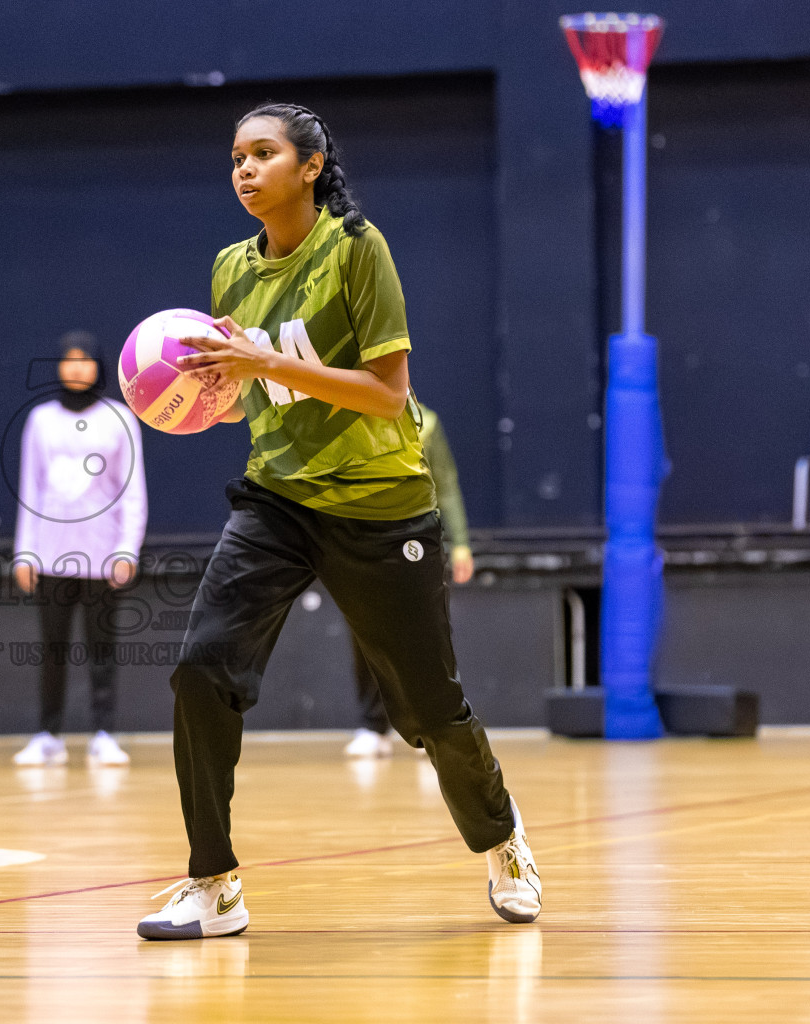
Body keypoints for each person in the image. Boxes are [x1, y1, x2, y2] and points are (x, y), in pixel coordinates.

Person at [135, 103, 541, 940]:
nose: (245, 169)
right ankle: (212, 882)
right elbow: (250, 394)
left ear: (311, 166)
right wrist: (198, 397)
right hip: (277, 498)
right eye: (237, 157)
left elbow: (388, 394)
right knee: (202, 671)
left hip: (379, 503)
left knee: (427, 709)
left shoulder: (357, 247)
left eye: (263, 153)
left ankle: (502, 838)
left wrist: (262, 360)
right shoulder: (230, 267)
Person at [11, 331, 147, 767]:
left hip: (103, 557)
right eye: (68, 359)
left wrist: (127, 550)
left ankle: (103, 733)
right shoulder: (41, 420)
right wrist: (25, 552)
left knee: (101, 647)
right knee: (52, 647)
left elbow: (132, 491)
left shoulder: (120, 419)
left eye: (84, 359)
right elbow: (31, 488)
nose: (76, 367)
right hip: (50, 556)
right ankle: (47, 734)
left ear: (98, 366)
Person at [345, 402, 473, 758]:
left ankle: (434, 723)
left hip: (417, 539)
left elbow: (446, 485)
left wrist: (461, 544)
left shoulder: (427, 423)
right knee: (366, 635)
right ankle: (374, 726)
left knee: (426, 635)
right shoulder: (347, 420)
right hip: (363, 543)